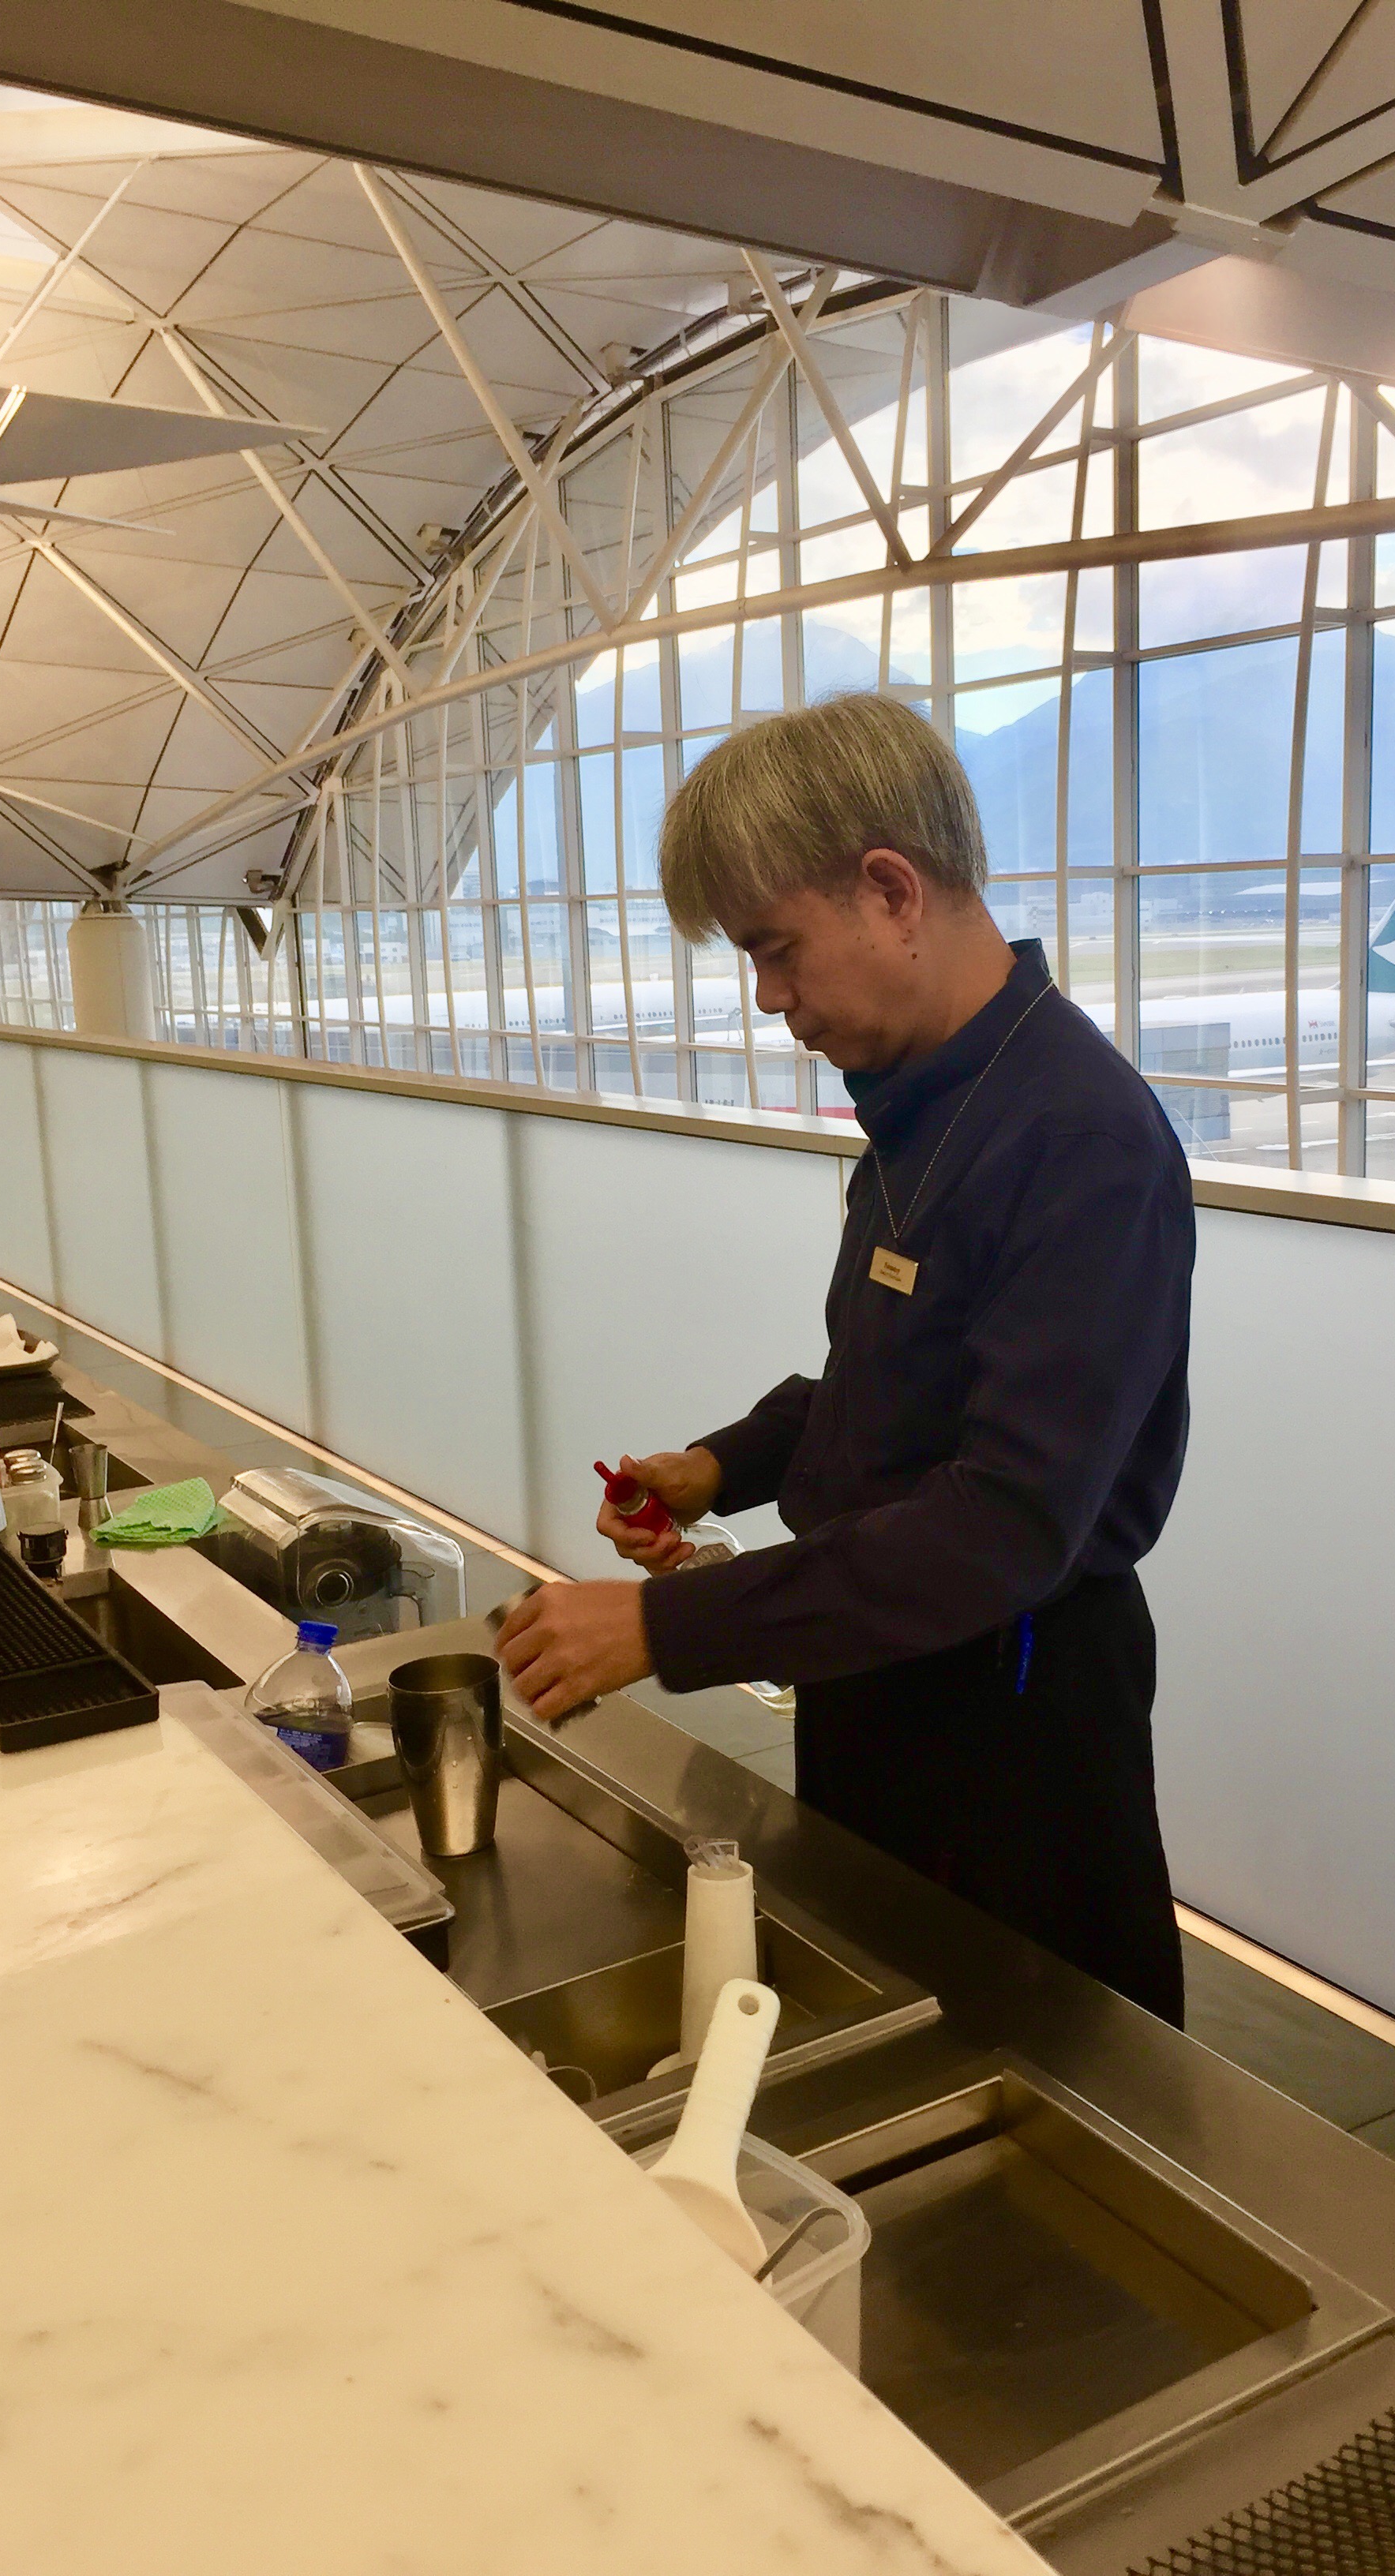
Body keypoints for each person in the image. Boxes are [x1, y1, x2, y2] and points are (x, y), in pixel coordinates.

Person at [495, 693, 1195, 2023]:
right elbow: (888, 1379)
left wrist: (661, 1625)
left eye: (777, 951)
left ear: (890, 891)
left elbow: (1005, 1519)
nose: (771, 1000)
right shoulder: (926, 1107)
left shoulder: (1078, 1138)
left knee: (1035, 2066)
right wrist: (722, 1466)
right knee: (883, 2011)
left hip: (1010, 1716)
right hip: (879, 1670)